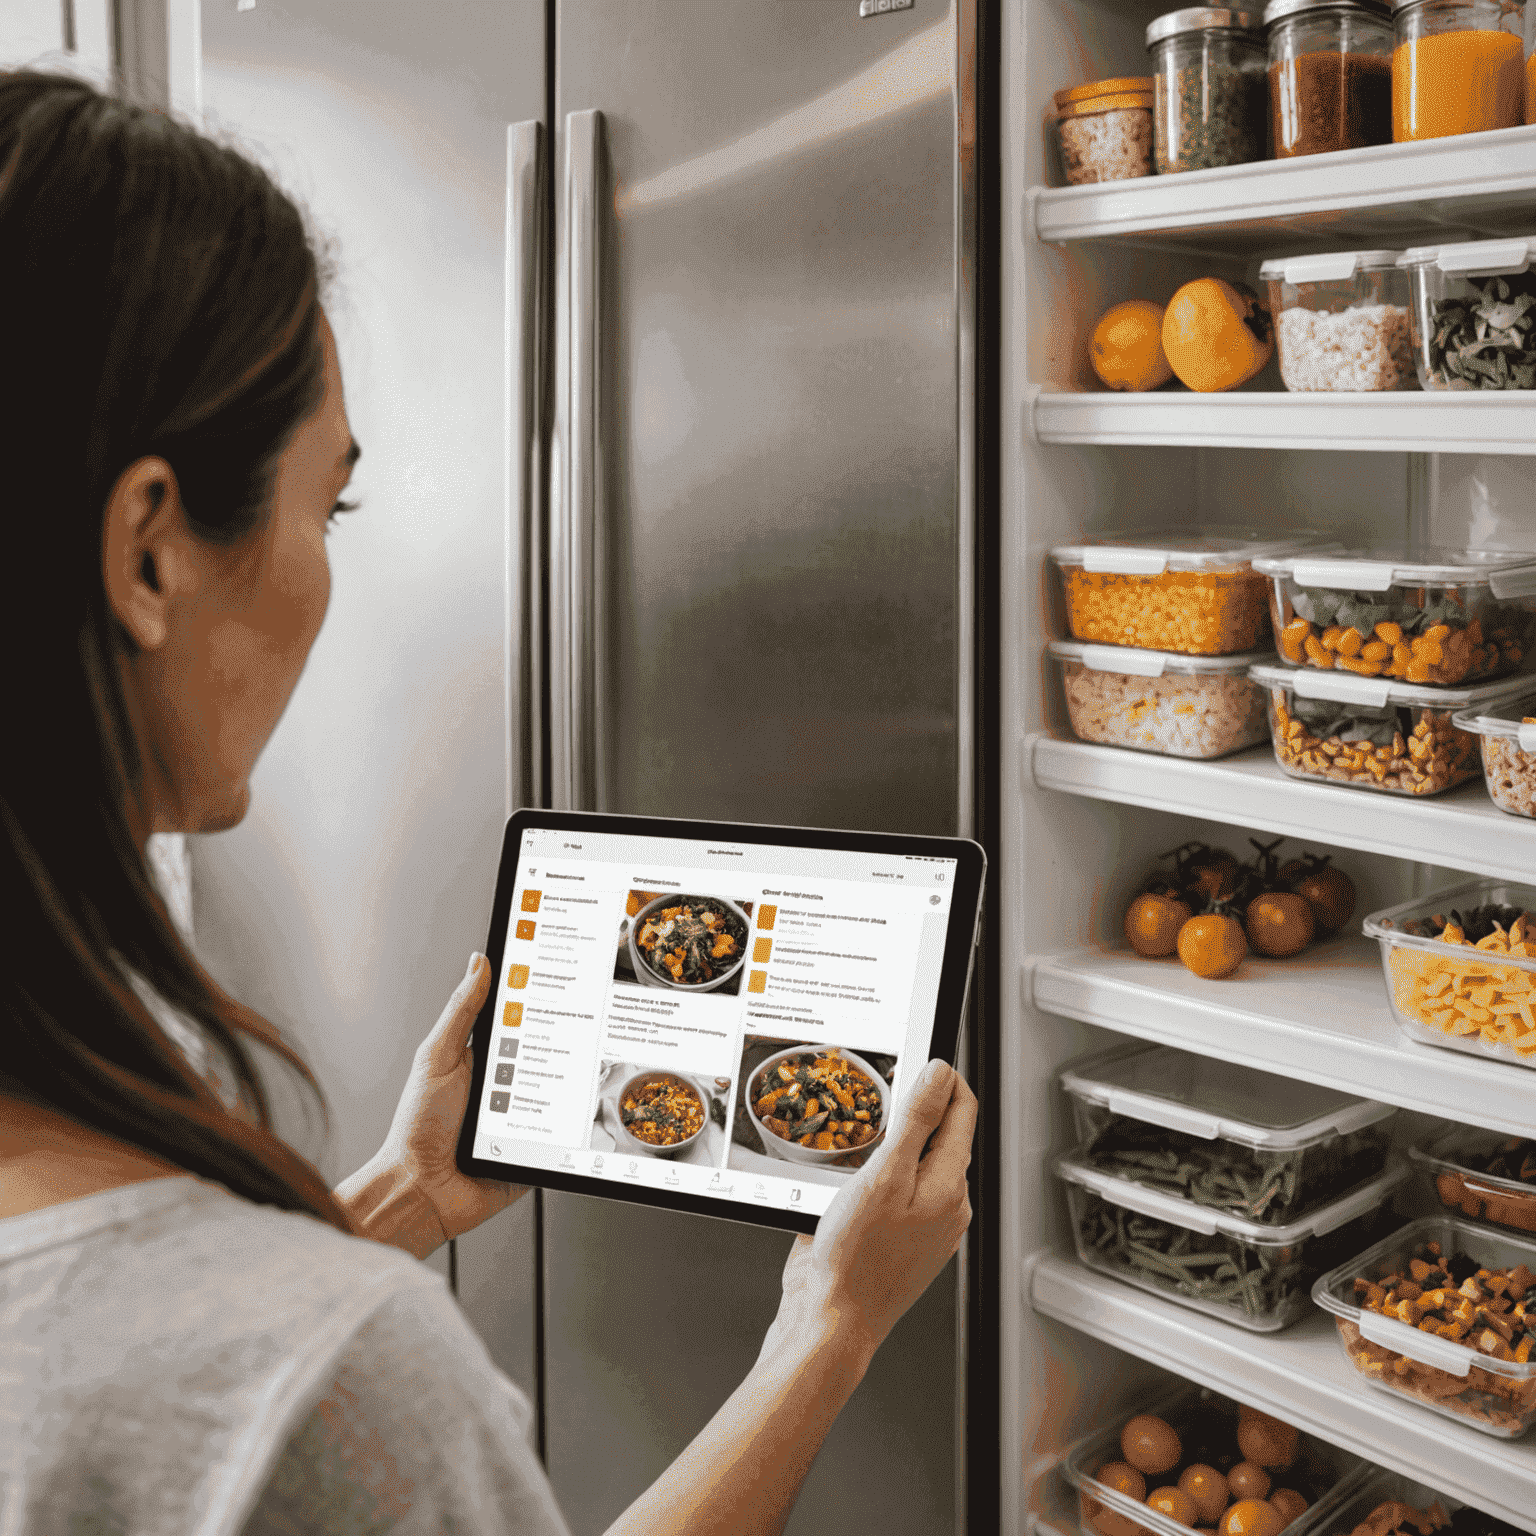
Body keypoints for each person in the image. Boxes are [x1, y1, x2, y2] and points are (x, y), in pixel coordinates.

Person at [0, 69, 978, 1536]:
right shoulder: (332, 1369)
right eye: (327, 506)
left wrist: (400, 1192)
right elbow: (226, 1381)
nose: (326, 570)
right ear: (148, 555)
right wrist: (828, 1323)